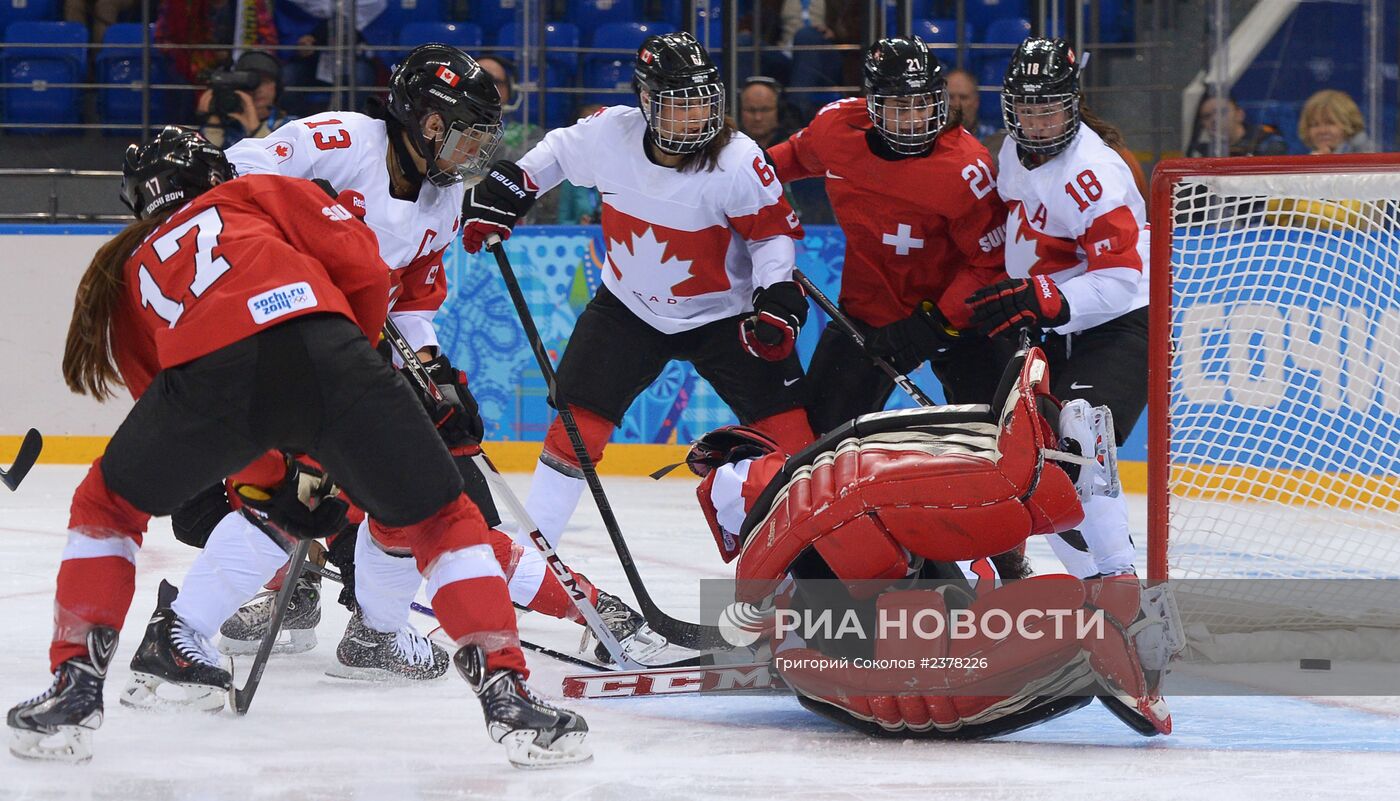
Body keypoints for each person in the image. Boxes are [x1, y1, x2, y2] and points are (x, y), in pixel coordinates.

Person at [6, 127, 590, 768]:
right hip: (326, 355)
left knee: (106, 506)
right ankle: (506, 690)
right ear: (215, 176)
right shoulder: (255, 192)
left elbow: (168, 396)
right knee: (444, 519)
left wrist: (273, 483)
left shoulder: (125, 274)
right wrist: (359, 362)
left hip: (216, 385)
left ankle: (74, 688)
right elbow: (364, 266)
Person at [209, 43, 667, 673]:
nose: (476, 154)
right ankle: (281, 590)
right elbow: (230, 172)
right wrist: (303, 213)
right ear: (427, 123)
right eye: (467, 136)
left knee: (443, 510)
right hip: (280, 345)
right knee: (275, 494)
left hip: (354, 364)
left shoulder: (443, 198)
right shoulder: (341, 141)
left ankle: (374, 618)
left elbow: (413, 299)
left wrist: (432, 370)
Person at [459, 32, 815, 604]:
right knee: (574, 426)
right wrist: (513, 186)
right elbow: (554, 152)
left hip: (724, 315)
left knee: (798, 441)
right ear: (646, 102)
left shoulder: (738, 159)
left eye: (703, 99)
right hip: (627, 308)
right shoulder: (609, 133)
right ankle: (526, 572)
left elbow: (771, 232)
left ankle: (818, 573)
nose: (695, 114)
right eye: (678, 101)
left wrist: (776, 296)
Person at [688, 346, 1179, 738]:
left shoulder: (967, 560)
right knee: (840, 507)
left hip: (898, 640)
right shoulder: (802, 522)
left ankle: (1080, 534)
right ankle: (1083, 538)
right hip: (889, 646)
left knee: (847, 510)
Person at [968, 37, 1150, 581]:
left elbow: (1122, 279)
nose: (1038, 122)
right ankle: (1089, 585)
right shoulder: (1010, 153)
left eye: (1048, 108)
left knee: (1080, 432)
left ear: (1072, 104)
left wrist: (1041, 297)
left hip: (1119, 325)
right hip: (1055, 325)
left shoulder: (1094, 173)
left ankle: (1121, 580)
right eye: (1027, 108)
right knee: (1034, 456)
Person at [767, 36, 1012, 436]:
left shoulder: (967, 168)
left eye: (923, 104)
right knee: (817, 441)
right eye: (900, 106)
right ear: (873, 105)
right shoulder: (836, 128)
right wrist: (735, 182)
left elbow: (991, 263)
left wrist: (932, 326)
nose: (915, 119)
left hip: (962, 323)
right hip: (868, 316)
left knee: (1002, 435)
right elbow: (791, 159)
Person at [197, 50, 297, 148]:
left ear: (277, 87)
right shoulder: (227, 125)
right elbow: (206, 162)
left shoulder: (291, 127)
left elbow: (278, 162)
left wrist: (255, 130)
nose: (258, 89)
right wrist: (213, 127)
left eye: (265, 81)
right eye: (250, 84)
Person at [1186, 94, 1288, 158]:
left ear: (1240, 114)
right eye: (1207, 116)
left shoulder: (1267, 141)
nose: (1214, 119)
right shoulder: (1200, 154)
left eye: (1222, 112)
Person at [1299, 89, 1376, 155]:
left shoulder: (1367, 158)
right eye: (1315, 124)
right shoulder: (1310, 160)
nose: (1322, 130)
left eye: (1330, 123)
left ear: (1350, 123)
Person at [945, 68, 999, 142]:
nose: (956, 104)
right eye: (950, 97)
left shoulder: (994, 141)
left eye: (963, 97)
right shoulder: (931, 142)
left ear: (976, 101)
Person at [739, 76, 793, 149]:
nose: (758, 118)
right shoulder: (731, 146)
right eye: (751, 110)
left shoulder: (792, 147)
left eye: (765, 110)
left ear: (779, 111)